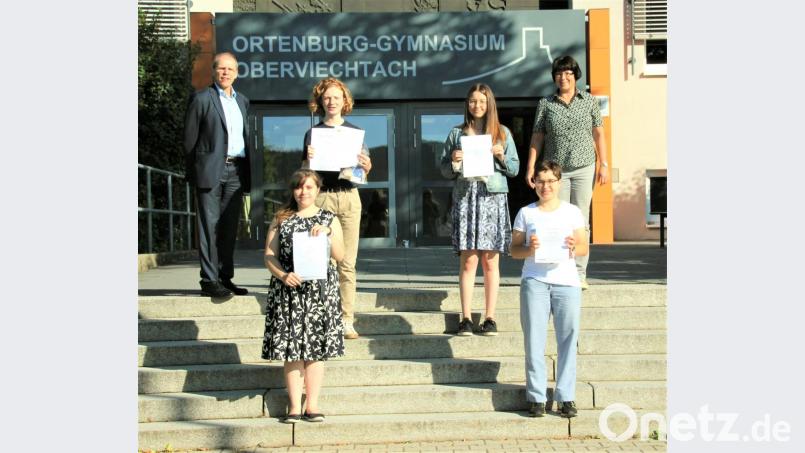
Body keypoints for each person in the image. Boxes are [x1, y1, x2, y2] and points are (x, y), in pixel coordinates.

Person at [262, 169, 345, 424]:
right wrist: (282, 275)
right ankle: (294, 406)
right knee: (292, 349)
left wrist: (328, 234)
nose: (303, 192)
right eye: (299, 187)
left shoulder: (329, 219)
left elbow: (340, 256)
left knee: (315, 349)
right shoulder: (281, 218)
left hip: (320, 293)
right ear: (293, 190)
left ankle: (313, 404)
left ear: (318, 190)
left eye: (309, 187)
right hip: (289, 290)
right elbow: (269, 255)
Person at [510, 161, 589, 418]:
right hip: (535, 281)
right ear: (534, 183)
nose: (546, 186)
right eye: (541, 181)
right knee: (534, 339)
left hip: (567, 282)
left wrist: (573, 246)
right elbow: (514, 250)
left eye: (551, 181)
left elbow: (584, 247)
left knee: (568, 340)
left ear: (559, 182)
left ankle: (566, 396)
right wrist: (529, 249)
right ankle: (536, 397)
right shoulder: (526, 213)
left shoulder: (572, 212)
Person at [440, 83, 519, 336]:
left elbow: (514, 169)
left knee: (490, 261)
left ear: (490, 104)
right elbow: (443, 170)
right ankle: (465, 318)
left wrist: (501, 157)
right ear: (467, 104)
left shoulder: (502, 133)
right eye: (473, 101)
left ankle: (490, 317)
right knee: (469, 260)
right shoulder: (457, 134)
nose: (477, 106)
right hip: (467, 197)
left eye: (482, 101)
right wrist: (454, 162)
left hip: (492, 197)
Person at [524, 55, 608, 290]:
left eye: (568, 73)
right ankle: (557, 269)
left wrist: (604, 163)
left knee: (580, 219)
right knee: (556, 218)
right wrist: (531, 166)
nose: (563, 77)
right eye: (559, 74)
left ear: (575, 76)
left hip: (584, 167)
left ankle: (579, 273)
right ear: (554, 77)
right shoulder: (546, 103)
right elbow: (537, 136)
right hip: (555, 171)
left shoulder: (589, 101)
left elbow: (599, 134)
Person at [302, 78, 372, 340]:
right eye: (327, 98)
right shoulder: (313, 133)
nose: (331, 102)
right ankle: (323, 317)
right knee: (322, 262)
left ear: (345, 101)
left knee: (347, 263)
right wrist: (307, 159)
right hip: (322, 200)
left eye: (336, 97)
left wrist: (366, 166)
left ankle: (346, 320)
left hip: (349, 198)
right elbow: (306, 175)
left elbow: (361, 173)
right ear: (321, 101)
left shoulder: (355, 133)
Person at [184, 51, 252, 299]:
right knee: (208, 226)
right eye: (221, 68)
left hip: (236, 170)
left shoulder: (242, 101)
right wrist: (193, 173)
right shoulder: (201, 98)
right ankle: (209, 280)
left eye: (230, 69)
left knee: (229, 228)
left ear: (237, 73)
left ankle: (224, 277)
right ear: (213, 71)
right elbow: (189, 140)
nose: (225, 73)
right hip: (210, 171)